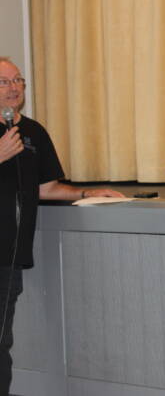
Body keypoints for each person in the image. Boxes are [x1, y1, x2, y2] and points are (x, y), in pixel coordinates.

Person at [0, 57, 124, 395]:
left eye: (18, 80)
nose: (14, 88)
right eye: (4, 82)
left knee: (1, 344)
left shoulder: (33, 132)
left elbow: (47, 188)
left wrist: (86, 192)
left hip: (8, 258)